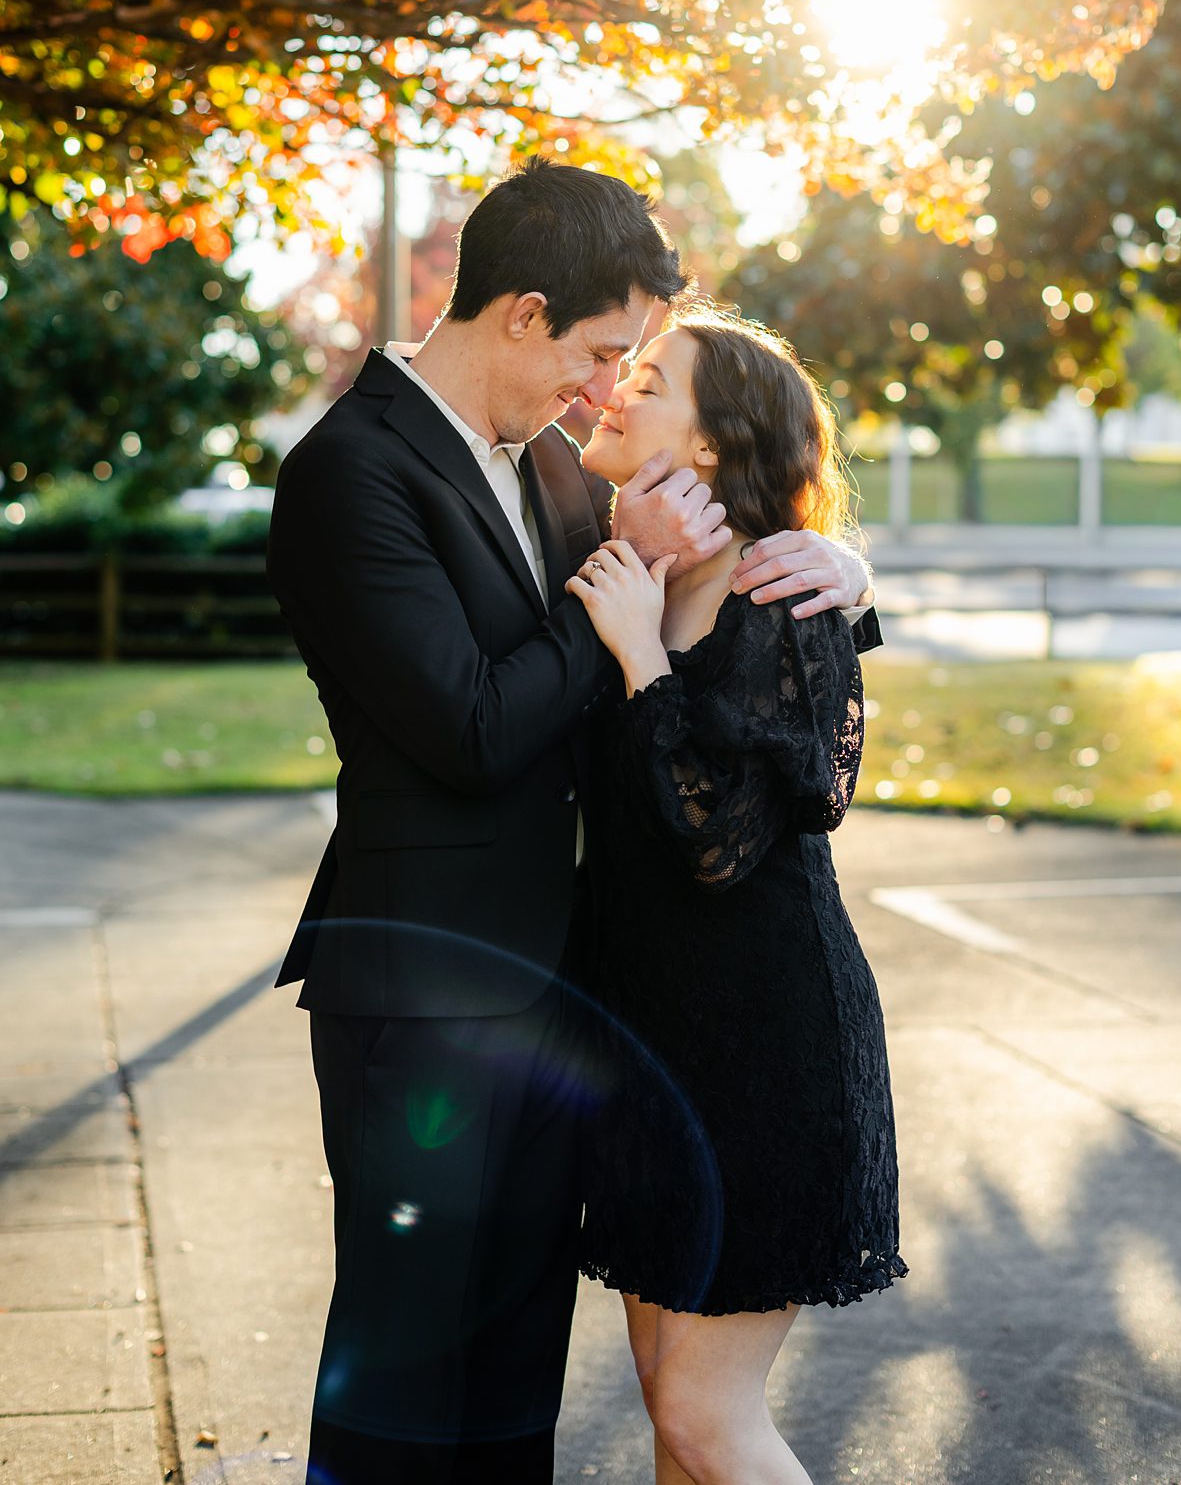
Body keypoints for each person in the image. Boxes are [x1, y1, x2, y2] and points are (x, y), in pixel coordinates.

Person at [266, 158, 877, 1485]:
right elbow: (477, 725)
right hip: (428, 990)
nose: (605, 387)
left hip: (569, 1000)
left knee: (511, 1374)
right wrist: (627, 581)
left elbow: (729, 594)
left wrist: (849, 570)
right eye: (602, 350)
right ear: (526, 312)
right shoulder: (350, 473)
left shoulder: (550, 464)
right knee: (404, 1359)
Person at [567, 303, 906, 1485]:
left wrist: (642, 661)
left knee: (707, 1418)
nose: (616, 383)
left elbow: (726, 842)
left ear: (708, 445)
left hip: (765, 1055)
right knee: (673, 1418)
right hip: (653, 1050)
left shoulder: (781, 595)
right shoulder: (623, 559)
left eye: (650, 377)